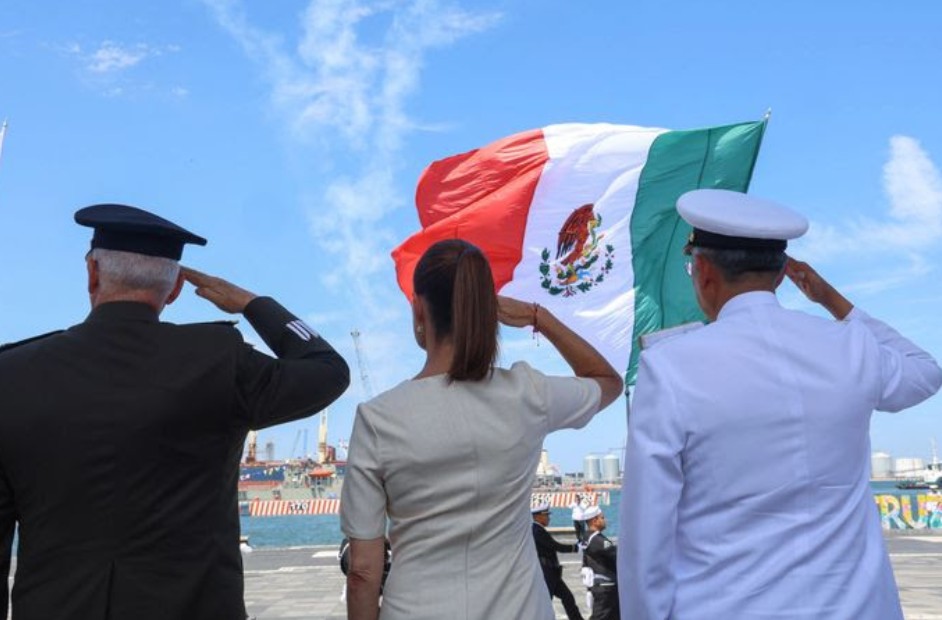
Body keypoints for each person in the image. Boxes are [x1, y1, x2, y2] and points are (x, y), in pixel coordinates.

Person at [0, 204, 350, 620]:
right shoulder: (220, 362)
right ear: (175, 289)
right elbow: (328, 370)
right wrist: (256, 305)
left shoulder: (11, 374)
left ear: (92, 272)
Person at [617, 189, 942, 619]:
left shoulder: (670, 366)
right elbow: (925, 371)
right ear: (781, 273)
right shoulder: (851, 348)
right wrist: (832, 300)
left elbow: (646, 535)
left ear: (703, 270)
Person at [340, 239, 623, 620]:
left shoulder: (378, 419)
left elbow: (363, 571)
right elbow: (606, 381)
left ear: (419, 309)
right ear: (486, 312)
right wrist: (540, 318)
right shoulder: (527, 393)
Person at [530, 503, 584, 620]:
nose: (549, 518)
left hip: (551, 572)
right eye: (546, 515)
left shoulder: (538, 529)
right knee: (546, 601)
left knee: (567, 597)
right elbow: (554, 546)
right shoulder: (537, 531)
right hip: (546, 572)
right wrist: (574, 548)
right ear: (538, 517)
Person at [580, 505, 618, 620]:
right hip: (605, 588)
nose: (604, 520)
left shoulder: (587, 536)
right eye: (602, 517)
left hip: (600, 586)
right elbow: (616, 554)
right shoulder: (598, 540)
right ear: (594, 521)